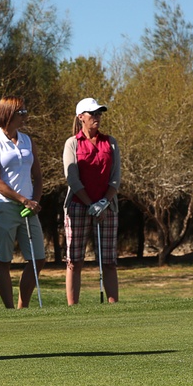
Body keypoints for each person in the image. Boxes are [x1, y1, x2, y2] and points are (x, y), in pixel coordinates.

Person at [0, 96, 45, 308]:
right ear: (8, 114)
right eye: (21, 112)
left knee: (38, 258)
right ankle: (9, 309)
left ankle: (23, 306)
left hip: (29, 210)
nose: (25, 115)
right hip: (5, 207)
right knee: (4, 260)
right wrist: (23, 200)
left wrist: (34, 202)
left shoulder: (28, 141)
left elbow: (38, 177)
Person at [62, 98, 122, 305]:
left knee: (109, 261)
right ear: (81, 117)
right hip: (78, 206)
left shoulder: (110, 142)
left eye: (99, 113)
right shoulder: (72, 143)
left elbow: (116, 177)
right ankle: (73, 307)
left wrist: (104, 202)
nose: (97, 117)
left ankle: (114, 306)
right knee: (74, 261)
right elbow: (73, 179)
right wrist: (91, 204)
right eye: (92, 114)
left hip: (107, 207)